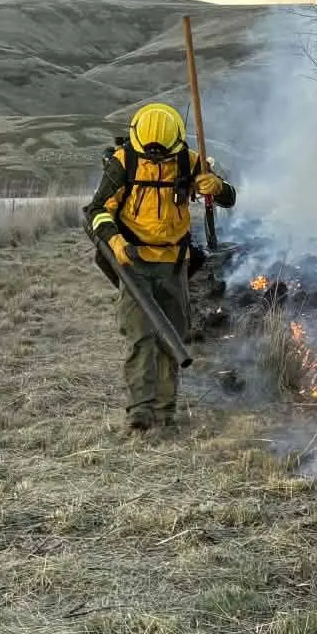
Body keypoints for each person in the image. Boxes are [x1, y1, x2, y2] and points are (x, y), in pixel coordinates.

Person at [85, 102, 236, 430]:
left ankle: (165, 411)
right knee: (140, 336)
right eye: (150, 157)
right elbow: (96, 210)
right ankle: (140, 410)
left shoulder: (188, 161)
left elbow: (229, 198)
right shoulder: (124, 162)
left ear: (176, 143)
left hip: (174, 263)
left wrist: (216, 187)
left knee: (173, 336)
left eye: (162, 156)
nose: (156, 161)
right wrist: (115, 242)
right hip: (132, 262)